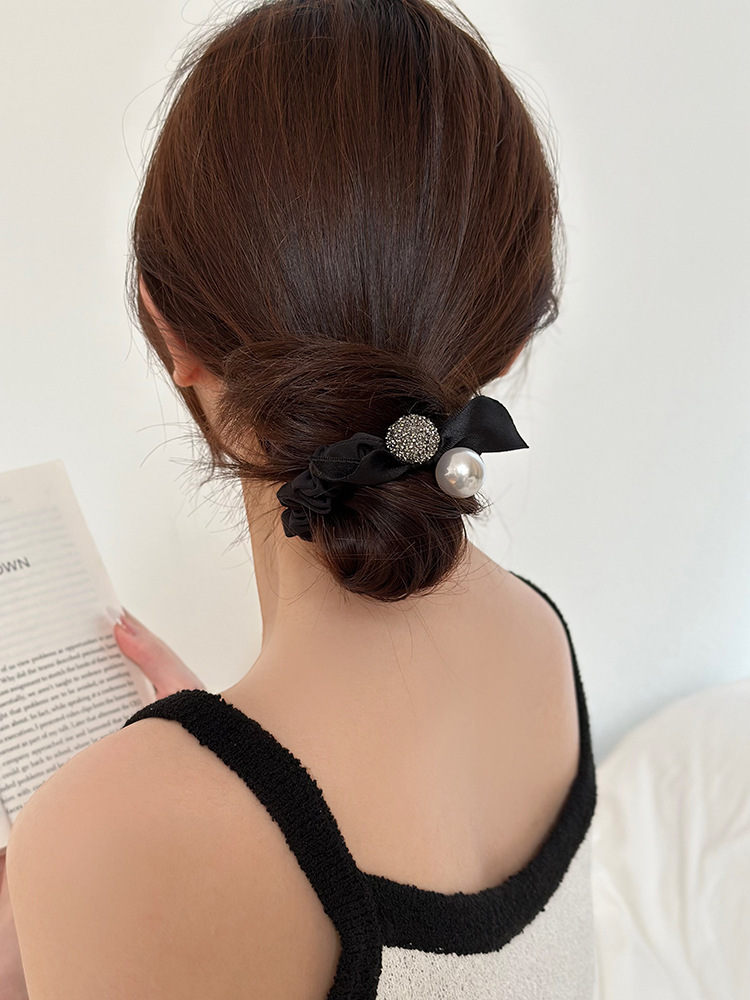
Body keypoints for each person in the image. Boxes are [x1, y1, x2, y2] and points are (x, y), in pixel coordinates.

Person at [3, 0, 598, 997]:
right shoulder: (542, 637)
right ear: (506, 341)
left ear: (167, 326)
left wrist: (137, 837)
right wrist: (207, 779)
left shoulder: (104, 841)